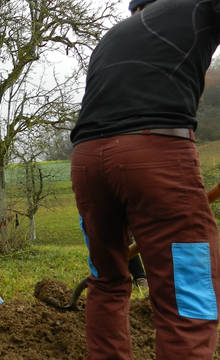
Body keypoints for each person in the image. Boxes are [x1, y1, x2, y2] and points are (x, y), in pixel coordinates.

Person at [69, 0, 220, 358]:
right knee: (187, 294)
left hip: (87, 163)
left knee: (106, 282)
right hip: (154, 157)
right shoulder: (193, 7)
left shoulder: (111, 37)